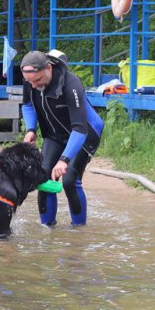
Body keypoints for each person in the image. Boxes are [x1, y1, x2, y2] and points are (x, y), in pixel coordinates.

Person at [20, 51, 105, 226]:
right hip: (55, 135)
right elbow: (27, 105)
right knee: (44, 178)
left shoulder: (70, 84)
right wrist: (30, 129)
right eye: (30, 82)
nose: (34, 86)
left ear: (49, 68)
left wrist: (64, 160)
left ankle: (78, 232)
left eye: (38, 80)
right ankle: (47, 228)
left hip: (85, 134)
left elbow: (80, 129)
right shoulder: (30, 80)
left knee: (70, 181)